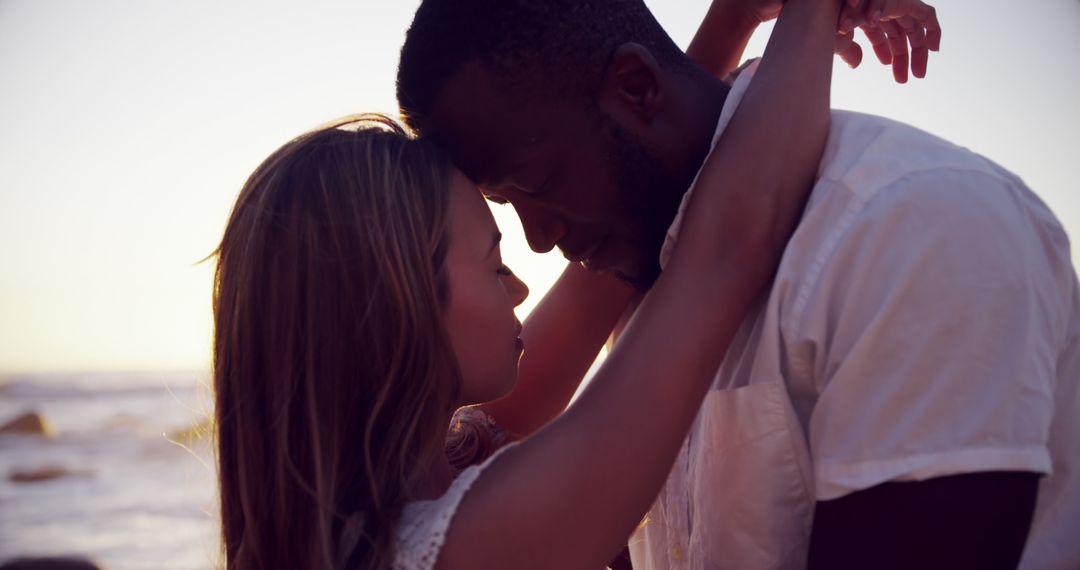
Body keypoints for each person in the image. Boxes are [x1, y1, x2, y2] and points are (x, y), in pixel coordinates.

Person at [396, 0, 1080, 568]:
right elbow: (721, 247)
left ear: (637, 88)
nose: (537, 241)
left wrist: (743, 22)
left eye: (533, 188)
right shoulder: (651, 301)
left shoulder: (907, 224)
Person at [210, 0, 873, 567]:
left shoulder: (385, 511)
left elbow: (604, 274)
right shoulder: (473, 543)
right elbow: (724, 249)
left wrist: (727, 25)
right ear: (398, 308)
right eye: (493, 261)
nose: (522, 285)